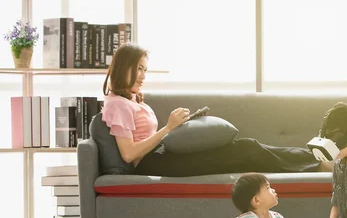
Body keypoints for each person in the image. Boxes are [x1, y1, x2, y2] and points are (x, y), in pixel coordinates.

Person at [101, 43, 325, 177]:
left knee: (245, 147)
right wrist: (169, 128)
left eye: (145, 69)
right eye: (139, 68)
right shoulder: (116, 104)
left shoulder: (131, 100)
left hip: (163, 155)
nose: (143, 75)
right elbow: (129, 154)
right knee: (246, 150)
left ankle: (314, 161)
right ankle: (317, 165)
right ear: (124, 67)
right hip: (154, 163)